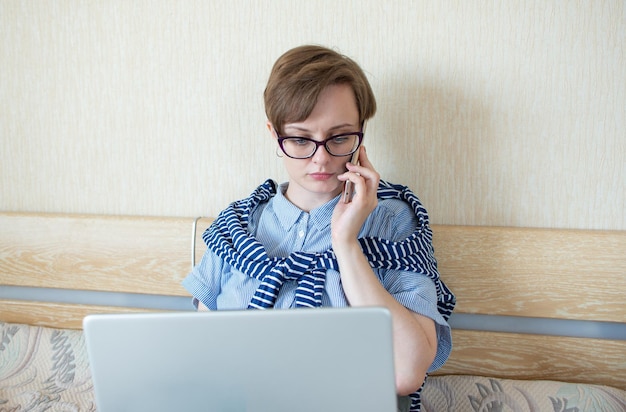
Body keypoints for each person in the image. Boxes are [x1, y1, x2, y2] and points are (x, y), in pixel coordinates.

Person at [182, 44, 455, 412]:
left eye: (340, 137)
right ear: (274, 135)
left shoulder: (393, 221)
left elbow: (406, 372)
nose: (321, 158)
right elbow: (202, 355)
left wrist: (346, 244)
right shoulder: (237, 227)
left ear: (361, 135)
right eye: (299, 139)